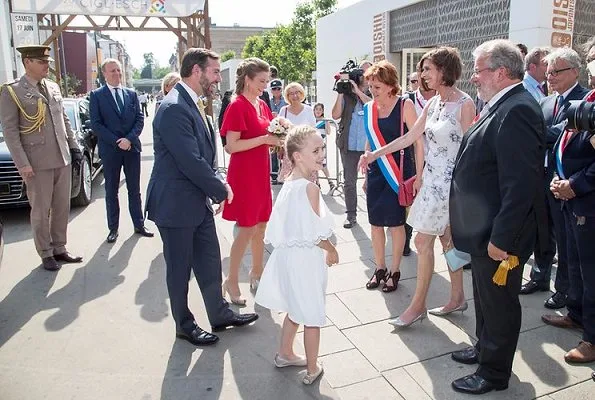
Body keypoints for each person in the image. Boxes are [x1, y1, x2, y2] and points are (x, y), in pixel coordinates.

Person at [449, 39, 545, 394]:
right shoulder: (500, 103)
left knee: (500, 303)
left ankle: (494, 373)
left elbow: (520, 185)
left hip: (500, 235)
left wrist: (501, 239)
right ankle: (484, 347)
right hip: (484, 230)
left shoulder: (517, 108)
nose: (474, 77)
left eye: (479, 70)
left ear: (501, 72)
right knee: (486, 296)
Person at [146, 48, 258, 346]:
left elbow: (205, 157)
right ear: (196, 71)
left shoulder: (193, 102)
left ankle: (219, 314)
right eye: (213, 72)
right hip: (175, 205)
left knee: (209, 262)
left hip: (196, 202)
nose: (217, 79)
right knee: (180, 269)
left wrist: (216, 180)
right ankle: (184, 325)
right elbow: (189, 160)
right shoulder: (173, 108)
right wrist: (222, 189)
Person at [360, 47, 475, 326]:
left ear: (445, 71)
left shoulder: (465, 104)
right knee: (447, 241)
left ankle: (417, 306)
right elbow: (412, 136)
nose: (423, 75)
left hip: (451, 184)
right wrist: (375, 153)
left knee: (422, 241)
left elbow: (473, 150)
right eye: (422, 69)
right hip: (431, 181)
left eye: (428, 69)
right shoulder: (434, 102)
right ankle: (458, 297)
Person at [255, 125, 338, 386]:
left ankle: (285, 353)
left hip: (289, 259)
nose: (321, 153)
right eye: (315, 150)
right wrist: (332, 249)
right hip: (306, 260)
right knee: (312, 314)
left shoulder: (288, 184)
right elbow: (315, 232)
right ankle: (313, 368)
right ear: (297, 156)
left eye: (322, 148)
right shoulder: (310, 189)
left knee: (294, 308)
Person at [0, 45, 83, 271]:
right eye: (41, 62)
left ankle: (59, 247)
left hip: (61, 157)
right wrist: (22, 163)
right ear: (27, 62)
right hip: (36, 162)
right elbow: (10, 131)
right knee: (40, 209)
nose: (47, 66)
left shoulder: (53, 87)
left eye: (47, 62)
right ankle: (45, 252)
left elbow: (64, 120)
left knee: (61, 207)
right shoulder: (12, 91)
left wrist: (74, 147)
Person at [521, 49, 589, 310]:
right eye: (548, 72)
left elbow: (555, 135)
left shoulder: (586, 101)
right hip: (543, 178)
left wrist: (528, 133)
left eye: (556, 72)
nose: (550, 77)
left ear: (575, 71)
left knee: (566, 240)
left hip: (570, 184)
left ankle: (565, 291)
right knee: (542, 232)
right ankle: (539, 277)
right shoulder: (546, 102)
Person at [541, 69, 595, 364]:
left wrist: (574, 184)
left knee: (591, 272)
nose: (592, 66)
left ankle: (592, 339)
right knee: (574, 263)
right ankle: (576, 314)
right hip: (570, 198)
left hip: (586, 199)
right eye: (591, 59)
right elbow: (562, 133)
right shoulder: (588, 99)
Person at [220, 58, 283, 305]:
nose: (264, 86)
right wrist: (265, 140)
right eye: (261, 81)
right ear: (247, 79)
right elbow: (231, 146)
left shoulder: (262, 105)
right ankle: (232, 280)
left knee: (261, 226)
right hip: (244, 175)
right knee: (246, 229)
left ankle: (257, 272)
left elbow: (266, 137)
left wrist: (276, 141)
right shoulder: (237, 106)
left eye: (267, 82)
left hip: (260, 173)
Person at [361, 61, 423, 293]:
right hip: (377, 171)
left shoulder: (405, 105)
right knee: (375, 224)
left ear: (390, 85)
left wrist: (418, 174)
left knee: (396, 225)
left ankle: (395, 270)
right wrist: (366, 161)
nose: (372, 92)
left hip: (398, 173)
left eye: (377, 87)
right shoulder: (369, 109)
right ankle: (380, 268)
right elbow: (371, 138)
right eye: (370, 87)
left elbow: (418, 141)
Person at [89, 58, 153, 243]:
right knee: (111, 191)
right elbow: (96, 124)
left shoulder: (131, 94)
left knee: (134, 190)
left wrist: (129, 139)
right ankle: (113, 228)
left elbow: (139, 119)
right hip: (111, 151)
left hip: (132, 148)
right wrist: (117, 141)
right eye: (112, 71)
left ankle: (139, 224)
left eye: (118, 70)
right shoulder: (97, 95)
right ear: (104, 74)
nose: (117, 74)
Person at [332, 61, 372, 228]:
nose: (361, 75)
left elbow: (375, 107)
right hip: (348, 144)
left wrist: (358, 92)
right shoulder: (346, 94)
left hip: (369, 146)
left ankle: (374, 213)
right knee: (349, 182)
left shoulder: (374, 91)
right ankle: (351, 215)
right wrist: (341, 91)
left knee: (372, 182)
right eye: (360, 73)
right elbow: (335, 115)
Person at [278, 82, 317, 182]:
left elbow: (313, 130)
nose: (295, 96)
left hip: (307, 151)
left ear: (302, 93)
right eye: (291, 93)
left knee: (307, 182)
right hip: (290, 153)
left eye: (297, 92)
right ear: (287, 96)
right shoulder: (284, 110)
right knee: (291, 182)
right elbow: (279, 130)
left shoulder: (308, 109)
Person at [313, 103, 335, 191]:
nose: (318, 111)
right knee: (314, 165)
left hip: (321, 146)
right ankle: (317, 183)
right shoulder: (311, 119)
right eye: (316, 109)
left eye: (320, 109)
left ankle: (330, 182)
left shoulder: (325, 120)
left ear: (322, 111)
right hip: (312, 145)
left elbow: (328, 132)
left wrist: (326, 123)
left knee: (323, 164)